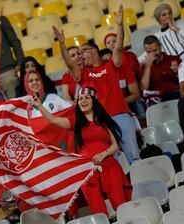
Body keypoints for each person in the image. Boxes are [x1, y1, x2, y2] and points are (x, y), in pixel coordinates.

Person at [53, 4, 140, 164]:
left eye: (82, 52)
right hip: (101, 122)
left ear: (93, 51)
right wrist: (62, 45)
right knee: (112, 162)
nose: (79, 56)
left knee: (133, 158)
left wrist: (120, 25)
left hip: (121, 115)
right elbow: (70, 64)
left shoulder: (110, 66)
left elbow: (119, 48)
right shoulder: (83, 74)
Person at [33, 87, 132, 216]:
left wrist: (104, 154)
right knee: (98, 211)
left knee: (121, 206)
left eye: (86, 97)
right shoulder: (76, 122)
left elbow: (115, 144)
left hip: (109, 165)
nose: (83, 101)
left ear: (94, 101)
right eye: (80, 98)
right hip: (87, 171)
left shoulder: (103, 120)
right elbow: (53, 120)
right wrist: (40, 106)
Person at [139, 35, 181, 104]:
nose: (153, 54)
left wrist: (178, 72)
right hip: (159, 100)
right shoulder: (144, 67)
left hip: (177, 94)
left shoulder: (174, 59)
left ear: (160, 47)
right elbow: (144, 89)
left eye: (155, 50)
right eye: (149, 52)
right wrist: (148, 67)